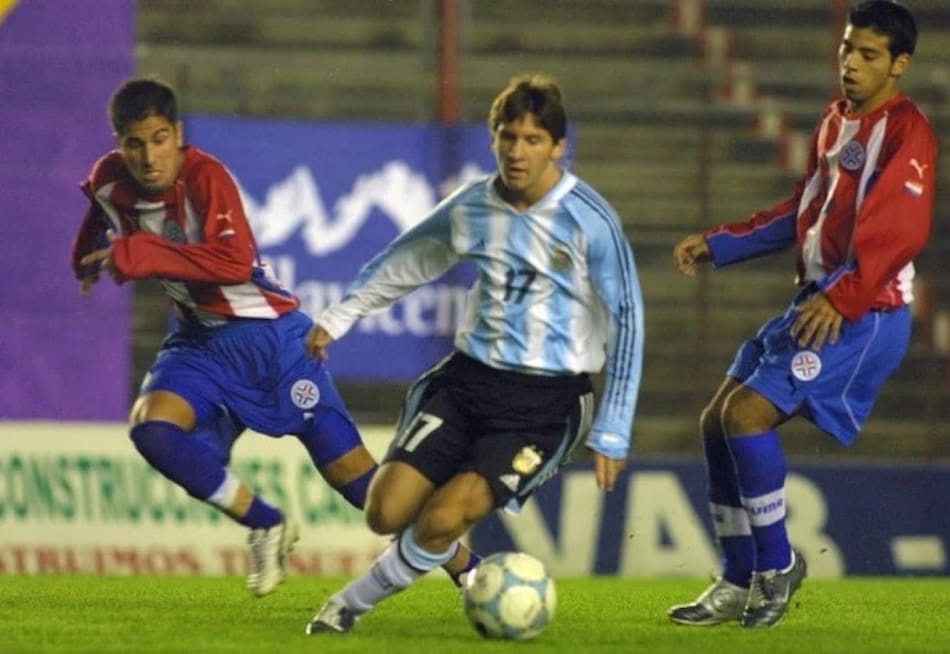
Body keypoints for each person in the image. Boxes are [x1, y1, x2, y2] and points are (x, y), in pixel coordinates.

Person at [71, 77, 479, 597]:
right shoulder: (110, 179)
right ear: (118, 144)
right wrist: (83, 256)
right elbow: (98, 210)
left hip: (272, 344)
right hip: (199, 346)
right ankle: (266, 522)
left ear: (177, 135)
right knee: (151, 428)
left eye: (158, 139)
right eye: (134, 143)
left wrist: (137, 254)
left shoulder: (206, 177)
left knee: (360, 484)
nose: (149, 156)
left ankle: (469, 570)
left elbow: (233, 262)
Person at [303, 73, 644, 635]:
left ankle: (348, 606)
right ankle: (457, 563)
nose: (517, 151)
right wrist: (343, 314)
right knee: (384, 511)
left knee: (441, 518)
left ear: (558, 146)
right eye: (508, 137)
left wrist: (615, 423)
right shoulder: (473, 206)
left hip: (545, 402)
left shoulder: (590, 221)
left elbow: (628, 319)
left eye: (533, 140)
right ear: (494, 139)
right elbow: (408, 258)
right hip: (468, 383)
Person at [668, 0, 936, 629]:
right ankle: (738, 580)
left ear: (899, 65)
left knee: (747, 415)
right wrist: (721, 243)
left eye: (868, 55)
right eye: (847, 48)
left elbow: (897, 232)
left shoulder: (908, 134)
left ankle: (776, 567)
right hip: (819, 301)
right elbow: (802, 212)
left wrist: (841, 299)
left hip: (866, 313)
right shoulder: (834, 122)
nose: (850, 63)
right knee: (717, 422)